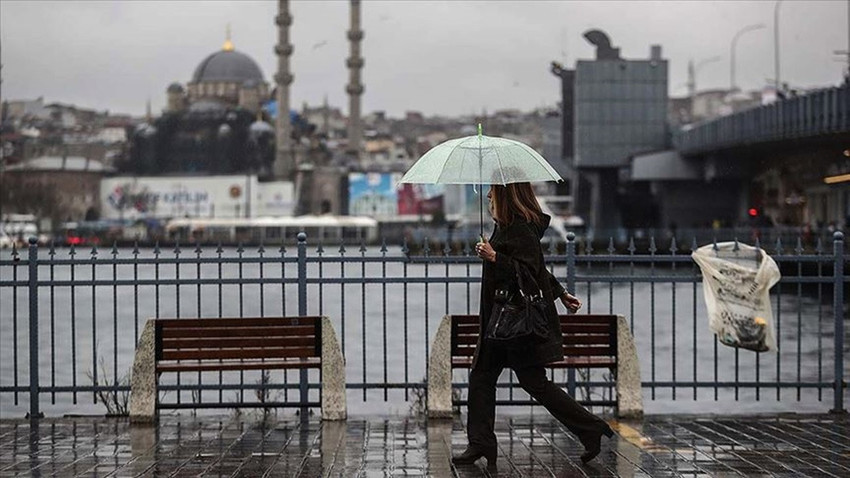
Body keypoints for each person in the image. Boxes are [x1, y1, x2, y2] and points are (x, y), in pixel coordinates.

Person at [452, 182, 613, 469]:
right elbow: (537, 269)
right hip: (498, 323)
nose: (488, 195)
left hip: (515, 324)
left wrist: (494, 257)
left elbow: (527, 272)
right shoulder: (505, 227)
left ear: (506, 194)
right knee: (481, 377)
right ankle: (480, 442)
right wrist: (562, 293)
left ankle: (590, 428)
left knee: (533, 382)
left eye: (493, 190)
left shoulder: (521, 229)